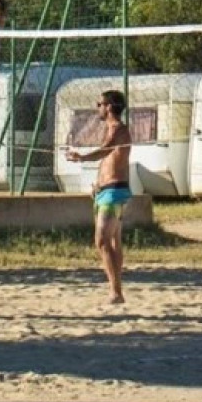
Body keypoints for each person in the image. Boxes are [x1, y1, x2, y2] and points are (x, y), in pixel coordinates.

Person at [66, 88, 132, 304]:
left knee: (102, 240)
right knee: (113, 241)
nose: (98, 108)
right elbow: (108, 161)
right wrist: (97, 183)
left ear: (109, 107)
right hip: (105, 191)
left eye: (100, 104)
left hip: (114, 192)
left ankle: (116, 292)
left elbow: (105, 151)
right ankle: (116, 290)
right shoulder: (110, 129)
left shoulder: (119, 130)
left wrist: (82, 158)